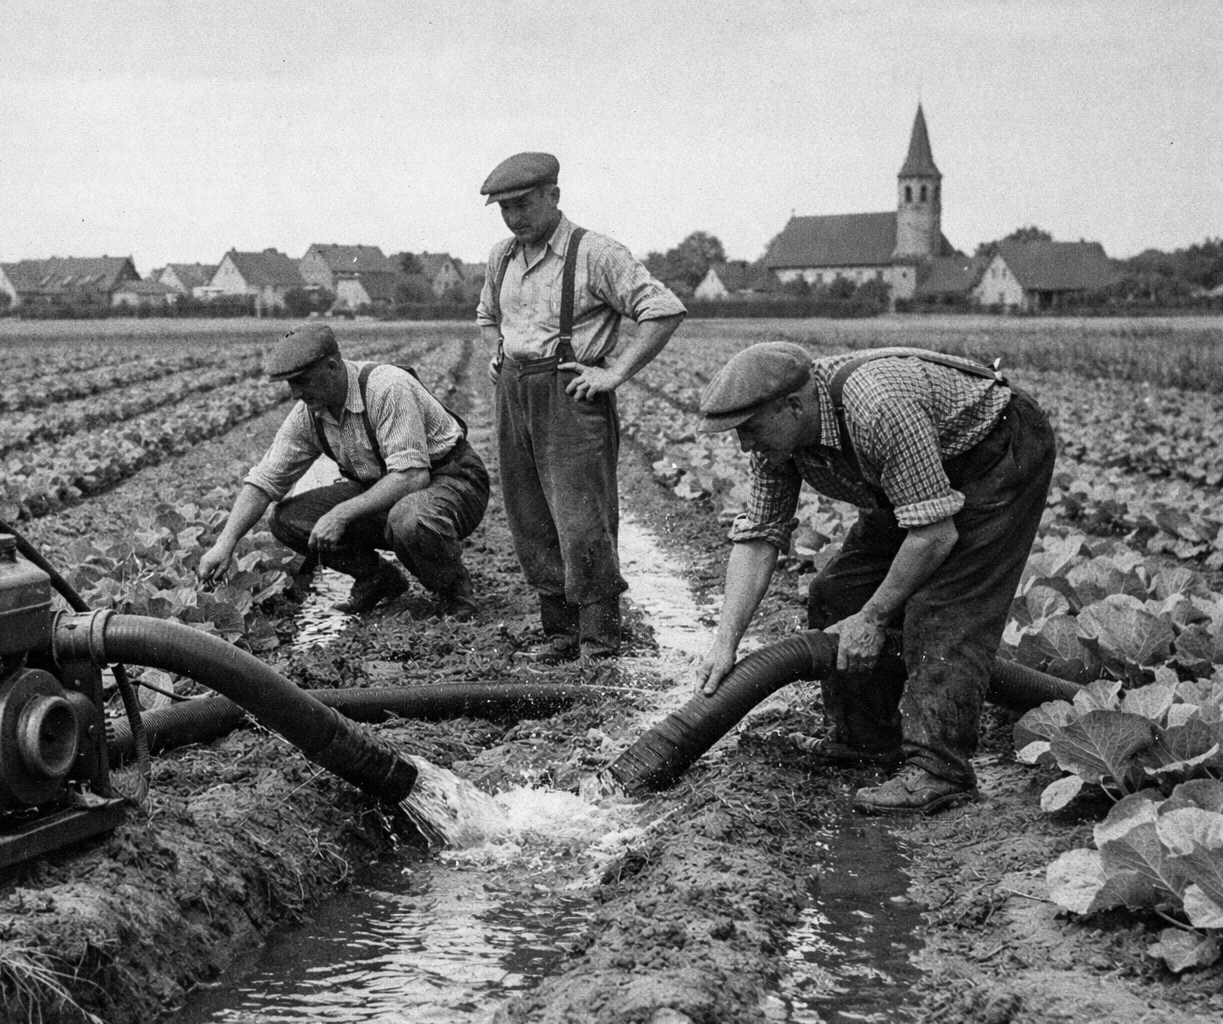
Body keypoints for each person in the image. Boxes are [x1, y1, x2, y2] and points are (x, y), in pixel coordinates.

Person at [695, 342, 1057, 814]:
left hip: (995, 454)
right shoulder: (778, 443)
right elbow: (761, 536)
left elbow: (933, 534)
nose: (746, 444)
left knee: (943, 614)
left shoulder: (878, 407)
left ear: (793, 406)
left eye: (750, 429)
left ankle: (939, 771)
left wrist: (873, 618)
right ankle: (865, 742)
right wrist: (725, 642)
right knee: (836, 591)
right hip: (920, 476)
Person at [476, 151, 686, 661]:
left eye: (522, 204)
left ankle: (599, 641)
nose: (513, 216)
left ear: (554, 195)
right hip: (514, 392)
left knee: (581, 517)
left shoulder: (595, 253)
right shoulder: (501, 256)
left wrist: (613, 373)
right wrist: (499, 351)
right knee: (530, 516)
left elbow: (662, 309)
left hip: (569, 393)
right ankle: (560, 634)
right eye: (503, 208)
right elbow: (487, 314)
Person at [196, 323, 490, 619]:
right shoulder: (309, 415)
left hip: (452, 480)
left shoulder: (386, 388)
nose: (296, 393)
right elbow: (265, 481)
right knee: (288, 518)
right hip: (386, 487)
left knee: (408, 519)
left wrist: (340, 514)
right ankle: (377, 578)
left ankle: (455, 593)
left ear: (333, 367)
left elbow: (412, 477)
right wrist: (225, 543)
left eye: (303, 381)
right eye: (290, 384)